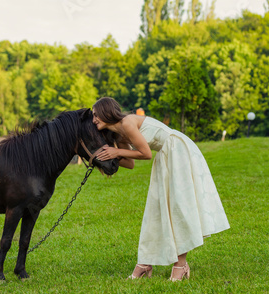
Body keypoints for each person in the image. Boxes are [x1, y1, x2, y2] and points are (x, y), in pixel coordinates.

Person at [92, 97, 230, 281]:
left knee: (179, 206)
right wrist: (99, 159)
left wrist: (116, 152)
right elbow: (130, 163)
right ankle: (145, 263)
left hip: (177, 149)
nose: (94, 120)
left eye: (96, 115)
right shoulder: (118, 134)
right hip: (165, 155)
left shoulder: (128, 122)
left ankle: (180, 265)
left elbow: (145, 154)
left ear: (105, 111)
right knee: (156, 209)